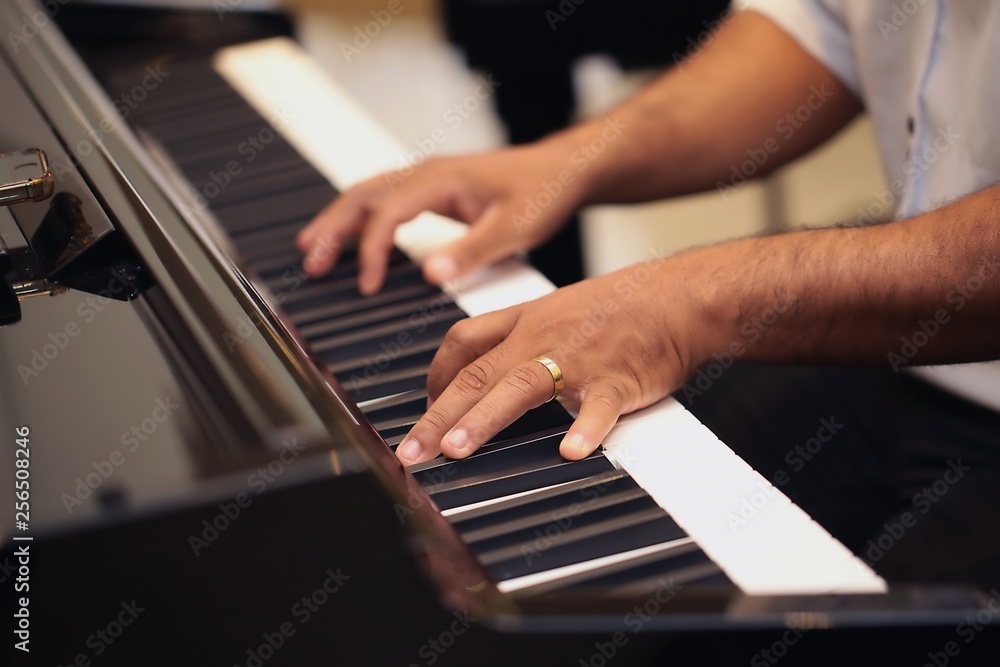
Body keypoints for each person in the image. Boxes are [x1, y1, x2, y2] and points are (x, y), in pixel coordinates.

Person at [297, 2, 1000, 586]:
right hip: (903, 359)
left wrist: (686, 303)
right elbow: (826, 28)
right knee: (573, 566)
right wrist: (554, 166)